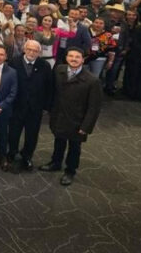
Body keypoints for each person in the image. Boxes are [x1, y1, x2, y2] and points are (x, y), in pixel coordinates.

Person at [39, 47, 102, 185]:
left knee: (74, 147)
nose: (73, 59)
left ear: (83, 59)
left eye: (77, 57)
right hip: (59, 115)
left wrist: (86, 127)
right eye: (71, 56)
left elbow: (94, 107)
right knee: (59, 141)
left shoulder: (92, 81)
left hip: (78, 121)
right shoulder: (59, 70)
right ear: (66, 57)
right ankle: (55, 162)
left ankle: (70, 171)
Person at [6, 40, 53, 171]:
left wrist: (46, 107)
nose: (32, 52)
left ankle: (27, 156)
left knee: (32, 134)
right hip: (16, 106)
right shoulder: (14, 62)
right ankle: (12, 152)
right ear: (24, 50)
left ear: (39, 52)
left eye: (35, 51)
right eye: (29, 49)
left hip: (35, 108)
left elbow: (49, 87)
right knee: (14, 132)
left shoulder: (44, 65)